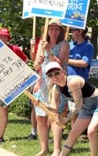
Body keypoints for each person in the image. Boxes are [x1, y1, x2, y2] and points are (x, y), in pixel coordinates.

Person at [36, 61, 98, 156]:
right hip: (86, 107)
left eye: (57, 73)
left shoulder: (72, 82)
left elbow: (78, 105)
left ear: (62, 72)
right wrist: (41, 104)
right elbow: (55, 107)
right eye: (50, 75)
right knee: (72, 134)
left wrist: (65, 119)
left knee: (91, 131)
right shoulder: (56, 88)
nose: (54, 77)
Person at [33, 19, 70, 156]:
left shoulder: (64, 44)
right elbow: (37, 67)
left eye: (56, 29)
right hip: (42, 84)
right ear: (47, 30)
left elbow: (61, 63)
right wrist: (38, 63)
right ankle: (43, 148)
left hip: (57, 84)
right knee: (40, 117)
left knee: (55, 116)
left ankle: (56, 149)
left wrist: (49, 50)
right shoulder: (41, 44)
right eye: (51, 28)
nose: (53, 31)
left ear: (61, 31)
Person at [67, 27, 95, 125]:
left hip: (79, 83)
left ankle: (75, 134)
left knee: (77, 109)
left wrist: (67, 60)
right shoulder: (69, 45)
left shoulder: (88, 46)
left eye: (73, 30)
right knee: (67, 108)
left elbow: (84, 63)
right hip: (66, 81)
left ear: (80, 31)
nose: (71, 32)